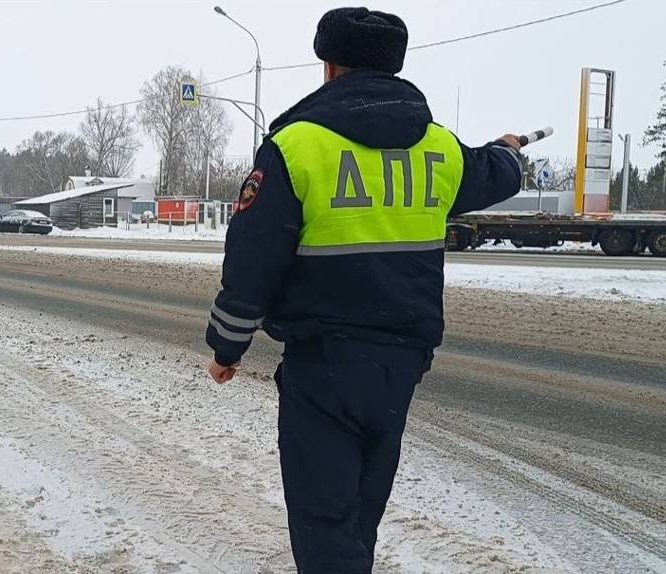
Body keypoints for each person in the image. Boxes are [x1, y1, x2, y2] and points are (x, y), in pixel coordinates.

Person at [205, 7, 522, 573]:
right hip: (402, 362)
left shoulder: (298, 146)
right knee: (358, 516)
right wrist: (509, 149)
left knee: (324, 521)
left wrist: (228, 347)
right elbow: (491, 171)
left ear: (328, 65)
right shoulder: (439, 148)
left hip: (324, 361)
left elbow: (253, 258)